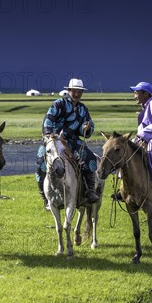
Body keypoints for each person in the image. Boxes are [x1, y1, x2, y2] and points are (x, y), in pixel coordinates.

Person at [36, 78, 100, 210]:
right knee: (40, 162)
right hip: (54, 140)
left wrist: (86, 128)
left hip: (72, 141)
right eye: (74, 91)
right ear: (69, 90)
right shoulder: (58, 104)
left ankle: (90, 191)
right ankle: (45, 197)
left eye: (79, 91)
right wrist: (48, 134)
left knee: (90, 159)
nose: (77, 94)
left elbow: (88, 126)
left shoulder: (83, 109)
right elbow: (49, 118)